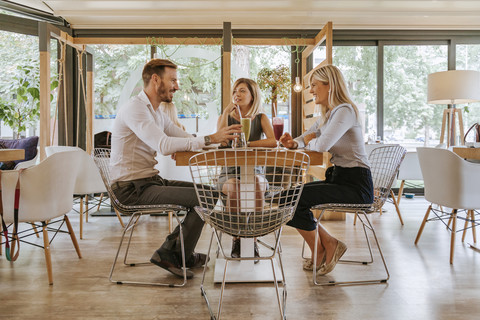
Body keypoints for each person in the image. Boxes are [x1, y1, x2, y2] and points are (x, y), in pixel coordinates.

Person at [110, 59, 242, 279]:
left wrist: (218, 141)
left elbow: (184, 137)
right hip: (130, 189)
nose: (177, 86)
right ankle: (170, 254)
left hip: (149, 181)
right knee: (205, 197)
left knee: (209, 194)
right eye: (173, 80)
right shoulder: (135, 108)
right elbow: (163, 145)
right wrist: (209, 138)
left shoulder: (156, 112)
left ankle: (180, 253)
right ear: (155, 79)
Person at [279, 65, 374, 275]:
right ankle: (327, 244)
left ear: (329, 85)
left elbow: (321, 145)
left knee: (291, 199)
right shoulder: (328, 115)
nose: (311, 91)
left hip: (357, 185)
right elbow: (307, 137)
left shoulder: (345, 111)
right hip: (340, 179)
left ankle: (321, 249)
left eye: (314, 85)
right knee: (287, 197)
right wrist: (293, 143)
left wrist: (308, 142)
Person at [217, 78, 276, 259]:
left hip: (255, 173)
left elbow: (273, 141)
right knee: (236, 187)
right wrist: (226, 112)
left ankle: (253, 240)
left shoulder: (261, 117)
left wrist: (246, 144)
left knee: (256, 185)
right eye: (235, 91)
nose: (237, 94)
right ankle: (237, 239)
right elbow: (219, 139)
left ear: (253, 95)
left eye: (242, 91)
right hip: (229, 174)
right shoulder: (226, 117)